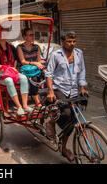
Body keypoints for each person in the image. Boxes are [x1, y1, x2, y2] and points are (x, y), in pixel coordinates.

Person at [45, 31, 89, 162]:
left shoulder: (79, 53)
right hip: (59, 87)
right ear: (63, 42)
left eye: (74, 41)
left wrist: (82, 88)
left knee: (73, 120)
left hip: (73, 89)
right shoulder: (55, 55)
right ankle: (51, 122)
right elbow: (49, 73)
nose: (72, 44)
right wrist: (51, 91)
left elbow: (82, 71)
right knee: (65, 113)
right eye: (69, 41)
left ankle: (63, 148)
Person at [0, 34, 33, 116]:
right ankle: (19, 106)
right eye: (1, 33)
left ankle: (25, 105)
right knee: (9, 80)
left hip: (12, 72)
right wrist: (9, 68)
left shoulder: (11, 47)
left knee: (23, 78)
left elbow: (17, 60)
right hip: (0, 73)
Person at [17, 28, 46, 108]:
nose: (32, 36)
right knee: (34, 78)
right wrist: (35, 63)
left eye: (32, 35)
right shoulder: (20, 47)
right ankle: (36, 99)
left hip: (35, 68)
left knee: (48, 74)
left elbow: (39, 60)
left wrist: (42, 65)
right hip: (25, 69)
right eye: (30, 35)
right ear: (24, 37)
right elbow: (23, 61)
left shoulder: (36, 47)